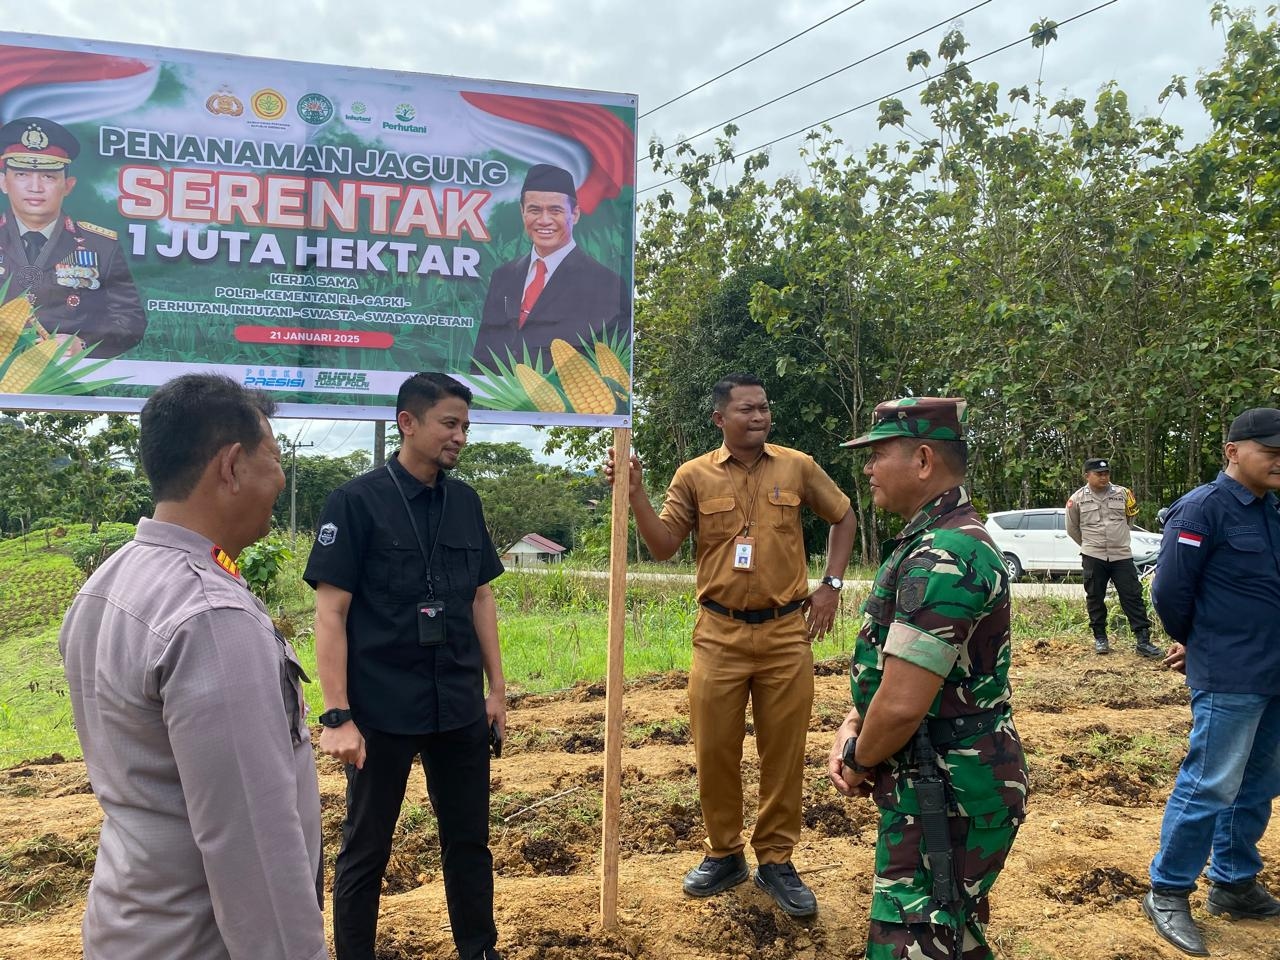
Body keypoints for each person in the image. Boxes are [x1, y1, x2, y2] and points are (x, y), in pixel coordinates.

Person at [59, 373, 326, 960]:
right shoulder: (210, 615)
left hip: (131, 923)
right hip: (200, 943)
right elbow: (252, 846)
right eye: (274, 458)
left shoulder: (110, 581)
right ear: (231, 466)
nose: (281, 479)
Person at [605, 373, 856, 917]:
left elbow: (844, 516)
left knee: (783, 751)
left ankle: (776, 859)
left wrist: (831, 586)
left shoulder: (798, 466)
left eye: (764, 407)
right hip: (718, 634)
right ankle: (724, 853)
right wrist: (636, 494)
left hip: (786, 632)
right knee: (714, 749)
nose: (759, 416)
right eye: (747, 409)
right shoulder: (693, 475)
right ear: (720, 418)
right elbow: (664, 545)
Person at [304, 372, 506, 960]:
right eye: (449, 423)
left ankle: (479, 950)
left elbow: (481, 598)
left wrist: (496, 689)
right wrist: (337, 714)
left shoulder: (465, 503)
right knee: (366, 847)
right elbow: (331, 613)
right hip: (381, 710)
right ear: (408, 423)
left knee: (469, 842)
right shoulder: (355, 502)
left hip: (458, 704)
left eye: (465, 426)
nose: (460, 436)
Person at [828, 397, 1027, 960]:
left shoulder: (945, 554)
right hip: (937, 773)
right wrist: (853, 722)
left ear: (922, 460)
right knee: (949, 932)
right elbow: (895, 670)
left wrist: (859, 758)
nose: (868, 468)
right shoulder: (934, 541)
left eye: (878, 454)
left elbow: (901, 704)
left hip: (945, 784)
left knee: (915, 941)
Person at [1142, 407, 1280, 956]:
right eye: (1271, 451)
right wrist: (1197, 642)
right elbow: (1170, 591)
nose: (1279, 461)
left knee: (1259, 783)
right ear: (1233, 451)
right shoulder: (1203, 508)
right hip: (1231, 673)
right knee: (1211, 783)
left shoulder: (1271, 510)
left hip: (1272, 672)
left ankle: (1233, 882)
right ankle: (1168, 889)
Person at [0, 116, 146, 358]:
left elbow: (130, 321)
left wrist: (84, 344)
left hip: (70, 374)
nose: (35, 187)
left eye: (48, 177)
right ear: (3, 182)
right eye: (22, 174)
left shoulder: (101, 246)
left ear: (68, 185)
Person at [474, 163, 627, 369]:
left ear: (575, 214)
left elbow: (611, 363)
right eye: (534, 210)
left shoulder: (606, 284)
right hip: (500, 391)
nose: (544, 220)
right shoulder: (503, 276)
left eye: (555, 210)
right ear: (522, 212)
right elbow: (482, 357)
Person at [1066, 457, 1161, 657]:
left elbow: (1130, 519)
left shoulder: (1123, 494)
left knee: (1132, 596)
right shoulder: (1077, 499)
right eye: (1099, 474)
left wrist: (1118, 538)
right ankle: (1100, 638)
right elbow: (1072, 528)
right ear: (1087, 476)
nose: (1104, 477)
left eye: (1106, 473)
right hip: (1093, 555)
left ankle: (1143, 640)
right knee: (1095, 597)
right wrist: (1090, 544)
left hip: (1121, 555)